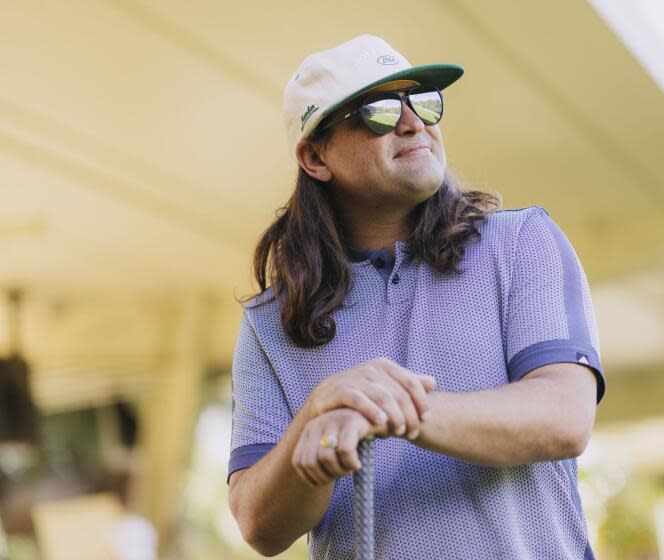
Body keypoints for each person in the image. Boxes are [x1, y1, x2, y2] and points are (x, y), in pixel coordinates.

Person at [226, 34, 606, 559]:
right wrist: (318, 421)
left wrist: (383, 410)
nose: (412, 122)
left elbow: (564, 416)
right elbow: (257, 525)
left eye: (423, 100)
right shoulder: (269, 322)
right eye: (378, 110)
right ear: (315, 157)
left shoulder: (521, 242)